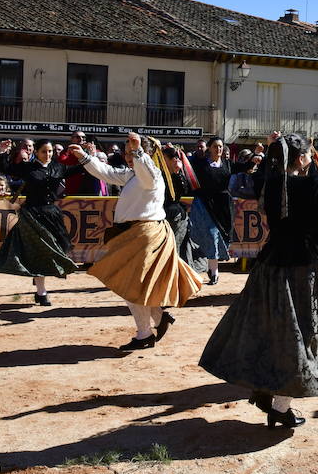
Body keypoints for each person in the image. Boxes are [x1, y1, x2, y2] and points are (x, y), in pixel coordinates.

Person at [200, 132, 318, 428]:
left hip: (271, 264)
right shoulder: (308, 185)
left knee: (268, 329)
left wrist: (272, 151)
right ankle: (280, 407)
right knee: (302, 333)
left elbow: (264, 172)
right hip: (304, 267)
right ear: (303, 158)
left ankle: (266, 390)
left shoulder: (267, 182)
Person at [70, 133, 205, 350]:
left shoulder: (152, 174)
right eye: (126, 152)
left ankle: (145, 334)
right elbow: (107, 173)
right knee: (138, 285)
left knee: (132, 284)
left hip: (146, 235)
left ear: (149, 153)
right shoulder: (134, 174)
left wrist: (138, 152)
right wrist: (85, 157)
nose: (128, 156)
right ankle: (159, 320)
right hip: (137, 234)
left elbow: (147, 174)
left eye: (132, 151)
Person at [0, 139, 85, 305]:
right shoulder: (28, 167)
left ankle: (39, 283)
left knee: (57, 250)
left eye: (50, 151)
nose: (48, 154)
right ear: (36, 152)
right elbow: (5, 168)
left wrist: (86, 155)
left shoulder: (58, 167)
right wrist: (1, 152)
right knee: (39, 252)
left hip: (52, 215)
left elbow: (81, 169)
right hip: (32, 215)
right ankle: (41, 292)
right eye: (44, 151)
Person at [189, 136, 233, 286]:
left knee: (221, 236)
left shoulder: (227, 163)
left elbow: (243, 168)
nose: (218, 149)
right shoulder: (200, 164)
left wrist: (256, 157)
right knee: (212, 236)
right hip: (206, 205)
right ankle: (214, 273)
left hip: (223, 206)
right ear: (209, 148)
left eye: (220, 146)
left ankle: (211, 268)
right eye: (215, 146)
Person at [60, 132, 107, 197]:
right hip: (73, 189)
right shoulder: (66, 152)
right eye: (78, 137)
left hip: (91, 190)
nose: (81, 139)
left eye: (83, 137)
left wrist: (91, 154)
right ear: (71, 139)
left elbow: (102, 166)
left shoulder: (93, 151)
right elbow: (63, 163)